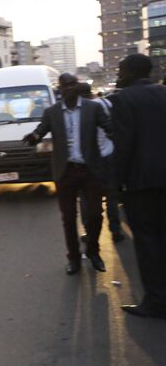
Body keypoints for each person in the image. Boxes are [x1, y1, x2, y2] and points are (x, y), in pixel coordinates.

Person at [22, 73, 112, 275]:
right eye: (66, 86)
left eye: (73, 84)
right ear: (60, 89)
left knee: (95, 214)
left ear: (77, 86)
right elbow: (41, 130)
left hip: (90, 170)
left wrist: (119, 135)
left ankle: (93, 251)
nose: (70, 88)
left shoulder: (93, 108)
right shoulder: (52, 112)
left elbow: (109, 127)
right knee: (68, 217)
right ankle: (73, 258)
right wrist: (34, 137)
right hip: (66, 171)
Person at [111, 54, 166, 319]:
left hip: (141, 183)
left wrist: (116, 183)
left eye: (121, 70)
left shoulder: (124, 99)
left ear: (132, 72)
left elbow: (124, 146)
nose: (118, 74)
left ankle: (156, 301)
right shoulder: (163, 93)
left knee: (147, 242)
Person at [76, 83, 124, 243]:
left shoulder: (80, 110)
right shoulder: (106, 103)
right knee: (111, 195)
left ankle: (90, 232)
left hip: (90, 159)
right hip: (109, 155)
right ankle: (115, 229)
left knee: (86, 197)